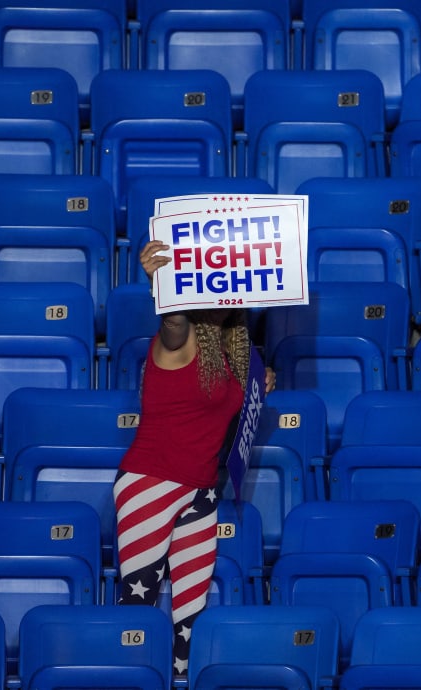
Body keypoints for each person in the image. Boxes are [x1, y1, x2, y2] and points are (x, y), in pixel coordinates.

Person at [113, 239, 275, 676]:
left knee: (192, 614)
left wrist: (258, 386)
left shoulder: (230, 357)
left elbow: (226, 408)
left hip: (201, 492)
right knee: (139, 603)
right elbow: (174, 322)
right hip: (152, 483)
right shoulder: (177, 344)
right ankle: (129, 679)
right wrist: (163, 284)